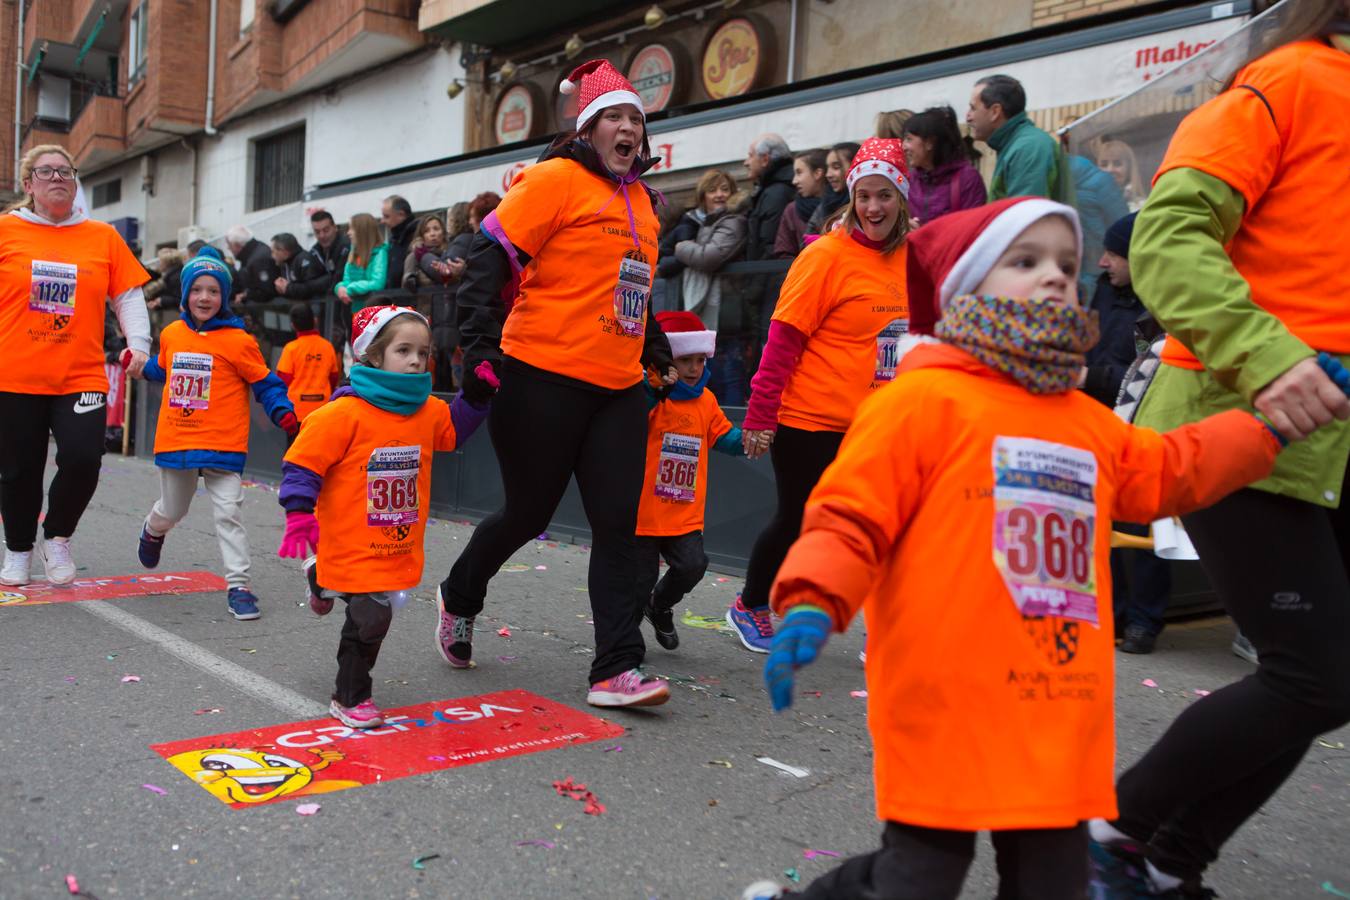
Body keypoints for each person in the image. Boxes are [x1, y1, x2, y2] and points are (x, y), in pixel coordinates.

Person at [744, 197, 1291, 900]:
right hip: (947, 701)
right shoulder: (921, 402)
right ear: (966, 288)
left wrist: (1267, 426)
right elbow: (850, 517)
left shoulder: (1085, 421)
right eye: (1027, 260)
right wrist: (814, 599)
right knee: (918, 880)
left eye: (1067, 263)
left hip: (1056, 708)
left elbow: (1166, 470)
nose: (1057, 276)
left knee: (1052, 886)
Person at [1089, 14, 1350, 897]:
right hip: (1239, 420)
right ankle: (1110, 837)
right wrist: (1268, 356)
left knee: (1329, 678)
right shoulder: (1288, 81)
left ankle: (1165, 861)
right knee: (1316, 674)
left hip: (1331, 443)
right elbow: (1165, 240)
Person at [436, 59, 676, 708]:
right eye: (616, 119)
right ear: (590, 129)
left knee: (618, 528)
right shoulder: (554, 181)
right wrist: (481, 351)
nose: (629, 129)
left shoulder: (646, 206)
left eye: (637, 119)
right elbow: (489, 263)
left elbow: (634, 291)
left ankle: (615, 668)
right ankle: (459, 596)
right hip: (539, 378)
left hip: (618, 389)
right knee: (526, 514)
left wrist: (655, 353)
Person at [727, 138, 911, 653]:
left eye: (885, 195)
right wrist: (761, 414)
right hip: (810, 419)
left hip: (877, 423)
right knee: (800, 519)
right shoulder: (825, 257)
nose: (874, 208)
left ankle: (883, 618)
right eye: (865, 196)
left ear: (902, 198)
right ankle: (750, 603)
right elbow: (782, 338)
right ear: (852, 200)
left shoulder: (913, 259)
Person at [277, 305, 488, 728]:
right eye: (403, 350)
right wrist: (299, 515)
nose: (415, 360)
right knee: (373, 616)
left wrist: (478, 395)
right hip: (349, 537)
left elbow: (452, 431)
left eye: (422, 352)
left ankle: (320, 576)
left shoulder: (427, 410)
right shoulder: (342, 414)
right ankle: (350, 695)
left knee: (370, 604)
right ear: (372, 355)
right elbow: (302, 464)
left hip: (396, 540)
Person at [0, 144, 152, 585]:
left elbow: (127, 294)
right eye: (46, 172)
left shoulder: (101, 235)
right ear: (28, 184)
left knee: (84, 456)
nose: (57, 179)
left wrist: (138, 343)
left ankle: (58, 537)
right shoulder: (7, 231)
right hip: (15, 373)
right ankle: (19, 549)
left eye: (66, 172)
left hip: (79, 374)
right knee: (17, 470)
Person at [133, 254, 299, 620]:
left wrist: (282, 412)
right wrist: (139, 366)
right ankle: (153, 529)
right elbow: (162, 368)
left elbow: (266, 383)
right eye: (196, 290)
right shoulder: (173, 333)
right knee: (173, 509)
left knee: (229, 513)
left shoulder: (240, 341)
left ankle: (239, 586)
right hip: (178, 439)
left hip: (224, 442)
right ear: (185, 295)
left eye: (213, 291)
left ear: (224, 297)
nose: (204, 297)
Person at [1081, 213, 1173, 655]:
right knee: (1103, 528)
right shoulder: (1104, 292)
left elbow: (1144, 375)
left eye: (1114, 254)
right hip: (1096, 423)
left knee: (1143, 530)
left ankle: (1144, 620)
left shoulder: (1159, 308)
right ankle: (1110, 611)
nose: (1103, 262)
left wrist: (1086, 375)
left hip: (1142, 427)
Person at [637, 311, 745, 650]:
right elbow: (631, 421)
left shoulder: (707, 399)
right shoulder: (650, 394)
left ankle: (659, 605)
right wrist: (653, 391)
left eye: (700, 359)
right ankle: (624, 647)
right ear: (668, 358)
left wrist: (752, 438)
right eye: (685, 359)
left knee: (693, 566)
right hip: (643, 511)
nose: (695, 367)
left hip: (683, 511)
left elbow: (724, 436)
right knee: (637, 582)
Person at [673, 171, 750, 405]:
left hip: (727, 309)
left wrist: (681, 248)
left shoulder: (733, 221)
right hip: (713, 308)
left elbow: (708, 257)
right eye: (713, 190)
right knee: (714, 375)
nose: (719, 195)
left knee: (729, 377)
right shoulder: (705, 220)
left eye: (725, 189)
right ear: (702, 195)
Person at [966, 73, 1072, 203]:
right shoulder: (1016, 144)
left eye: (973, 108)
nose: (968, 116)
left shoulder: (1028, 147)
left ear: (995, 112)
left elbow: (1027, 217)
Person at [405, 214, 464, 391]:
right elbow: (407, 278)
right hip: (427, 314)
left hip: (452, 315)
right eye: (428, 230)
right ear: (421, 234)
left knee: (451, 367)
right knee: (430, 363)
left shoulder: (451, 253)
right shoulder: (414, 256)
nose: (432, 234)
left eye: (436, 229)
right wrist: (411, 279)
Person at [901, 105, 986, 226]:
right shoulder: (911, 179)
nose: (904, 147)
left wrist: (923, 234)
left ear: (929, 142)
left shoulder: (967, 178)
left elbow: (972, 230)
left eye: (909, 139)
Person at [1068, 154, 1129, 299]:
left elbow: (1121, 227)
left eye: (1117, 163)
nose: (1110, 169)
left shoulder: (1099, 182)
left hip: (1098, 269)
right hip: (1093, 268)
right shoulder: (1098, 181)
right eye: (1104, 163)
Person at [277, 302, 340, 421]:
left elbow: (283, 379)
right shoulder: (327, 346)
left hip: (296, 412)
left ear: (293, 325)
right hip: (322, 410)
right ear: (315, 321)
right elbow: (334, 377)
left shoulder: (291, 348)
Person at [743, 133, 795, 261]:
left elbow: (769, 247)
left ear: (765, 159)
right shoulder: (774, 189)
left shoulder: (776, 194)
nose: (745, 162)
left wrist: (755, 280)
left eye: (750, 155)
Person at [773, 149, 827, 258]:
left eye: (799, 172)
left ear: (818, 173)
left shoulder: (842, 205)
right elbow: (784, 253)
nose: (794, 181)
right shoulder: (792, 210)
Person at [336, 213, 389, 314]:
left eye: (352, 228)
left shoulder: (379, 252)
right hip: (355, 311)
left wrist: (349, 289)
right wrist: (339, 287)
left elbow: (377, 283)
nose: (348, 233)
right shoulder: (352, 253)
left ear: (362, 231)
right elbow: (346, 280)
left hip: (374, 313)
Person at [806, 142, 860, 234]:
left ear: (855, 167)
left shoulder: (863, 204)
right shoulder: (826, 202)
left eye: (836, 167)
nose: (828, 175)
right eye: (828, 168)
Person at [225, 225, 277, 306]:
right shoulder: (253, 252)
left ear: (237, 245)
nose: (228, 248)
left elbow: (266, 291)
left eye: (229, 244)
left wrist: (246, 295)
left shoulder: (258, 259)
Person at [270, 233, 329, 301]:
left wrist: (287, 288)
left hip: (318, 306)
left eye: (273, 252)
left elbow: (312, 289)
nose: (272, 256)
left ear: (284, 251)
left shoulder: (305, 260)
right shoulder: (284, 263)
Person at [1096, 138, 1147, 211]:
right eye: (1104, 165)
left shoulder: (1142, 206)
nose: (1110, 169)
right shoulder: (1089, 201)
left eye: (1117, 164)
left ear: (1129, 169)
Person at [381, 195, 417, 291]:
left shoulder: (417, 236)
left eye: (386, 216)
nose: (382, 221)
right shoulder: (394, 239)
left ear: (401, 215)